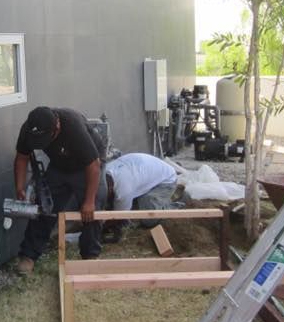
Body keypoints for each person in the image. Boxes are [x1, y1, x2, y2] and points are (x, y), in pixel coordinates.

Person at [14, 106, 106, 273]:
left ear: (57, 127)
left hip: (87, 166)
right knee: (45, 205)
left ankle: (90, 257)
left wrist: (89, 200)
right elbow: (22, 158)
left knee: (90, 211)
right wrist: (19, 187)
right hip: (59, 165)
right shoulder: (28, 128)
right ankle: (28, 255)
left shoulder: (73, 127)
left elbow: (93, 166)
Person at [96, 153, 178, 241]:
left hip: (166, 180)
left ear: (111, 188)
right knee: (119, 205)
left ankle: (175, 205)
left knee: (148, 219)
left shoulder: (123, 190)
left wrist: (100, 228)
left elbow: (119, 216)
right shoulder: (104, 174)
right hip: (146, 172)